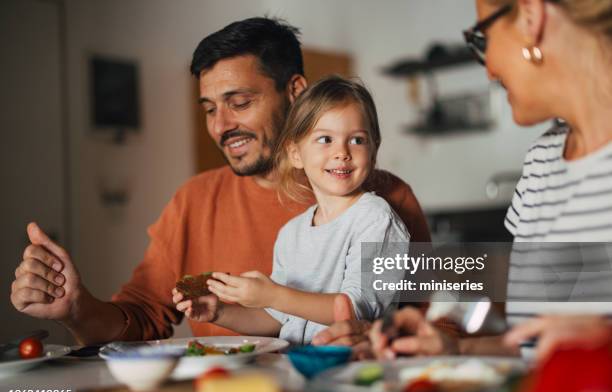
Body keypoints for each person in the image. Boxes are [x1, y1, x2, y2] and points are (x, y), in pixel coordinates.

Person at [9, 17, 430, 345]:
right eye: (209, 109)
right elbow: (140, 316)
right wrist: (76, 309)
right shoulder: (195, 201)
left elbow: (454, 312)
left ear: (295, 90)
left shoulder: (388, 197)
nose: (222, 126)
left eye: (240, 102)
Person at [322, 0, 612, 361]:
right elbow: (532, 349)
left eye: (483, 38)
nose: (489, 70)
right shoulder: (543, 161)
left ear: (532, 17)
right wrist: (452, 347)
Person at [173, 76, 410, 344]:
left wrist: (273, 295)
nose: (342, 152)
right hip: (297, 366)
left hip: (356, 368)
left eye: (357, 140)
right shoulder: (291, 233)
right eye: (325, 139)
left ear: (374, 149)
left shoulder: (376, 219)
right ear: (295, 154)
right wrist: (221, 313)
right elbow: (278, 319)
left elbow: (358, 310)